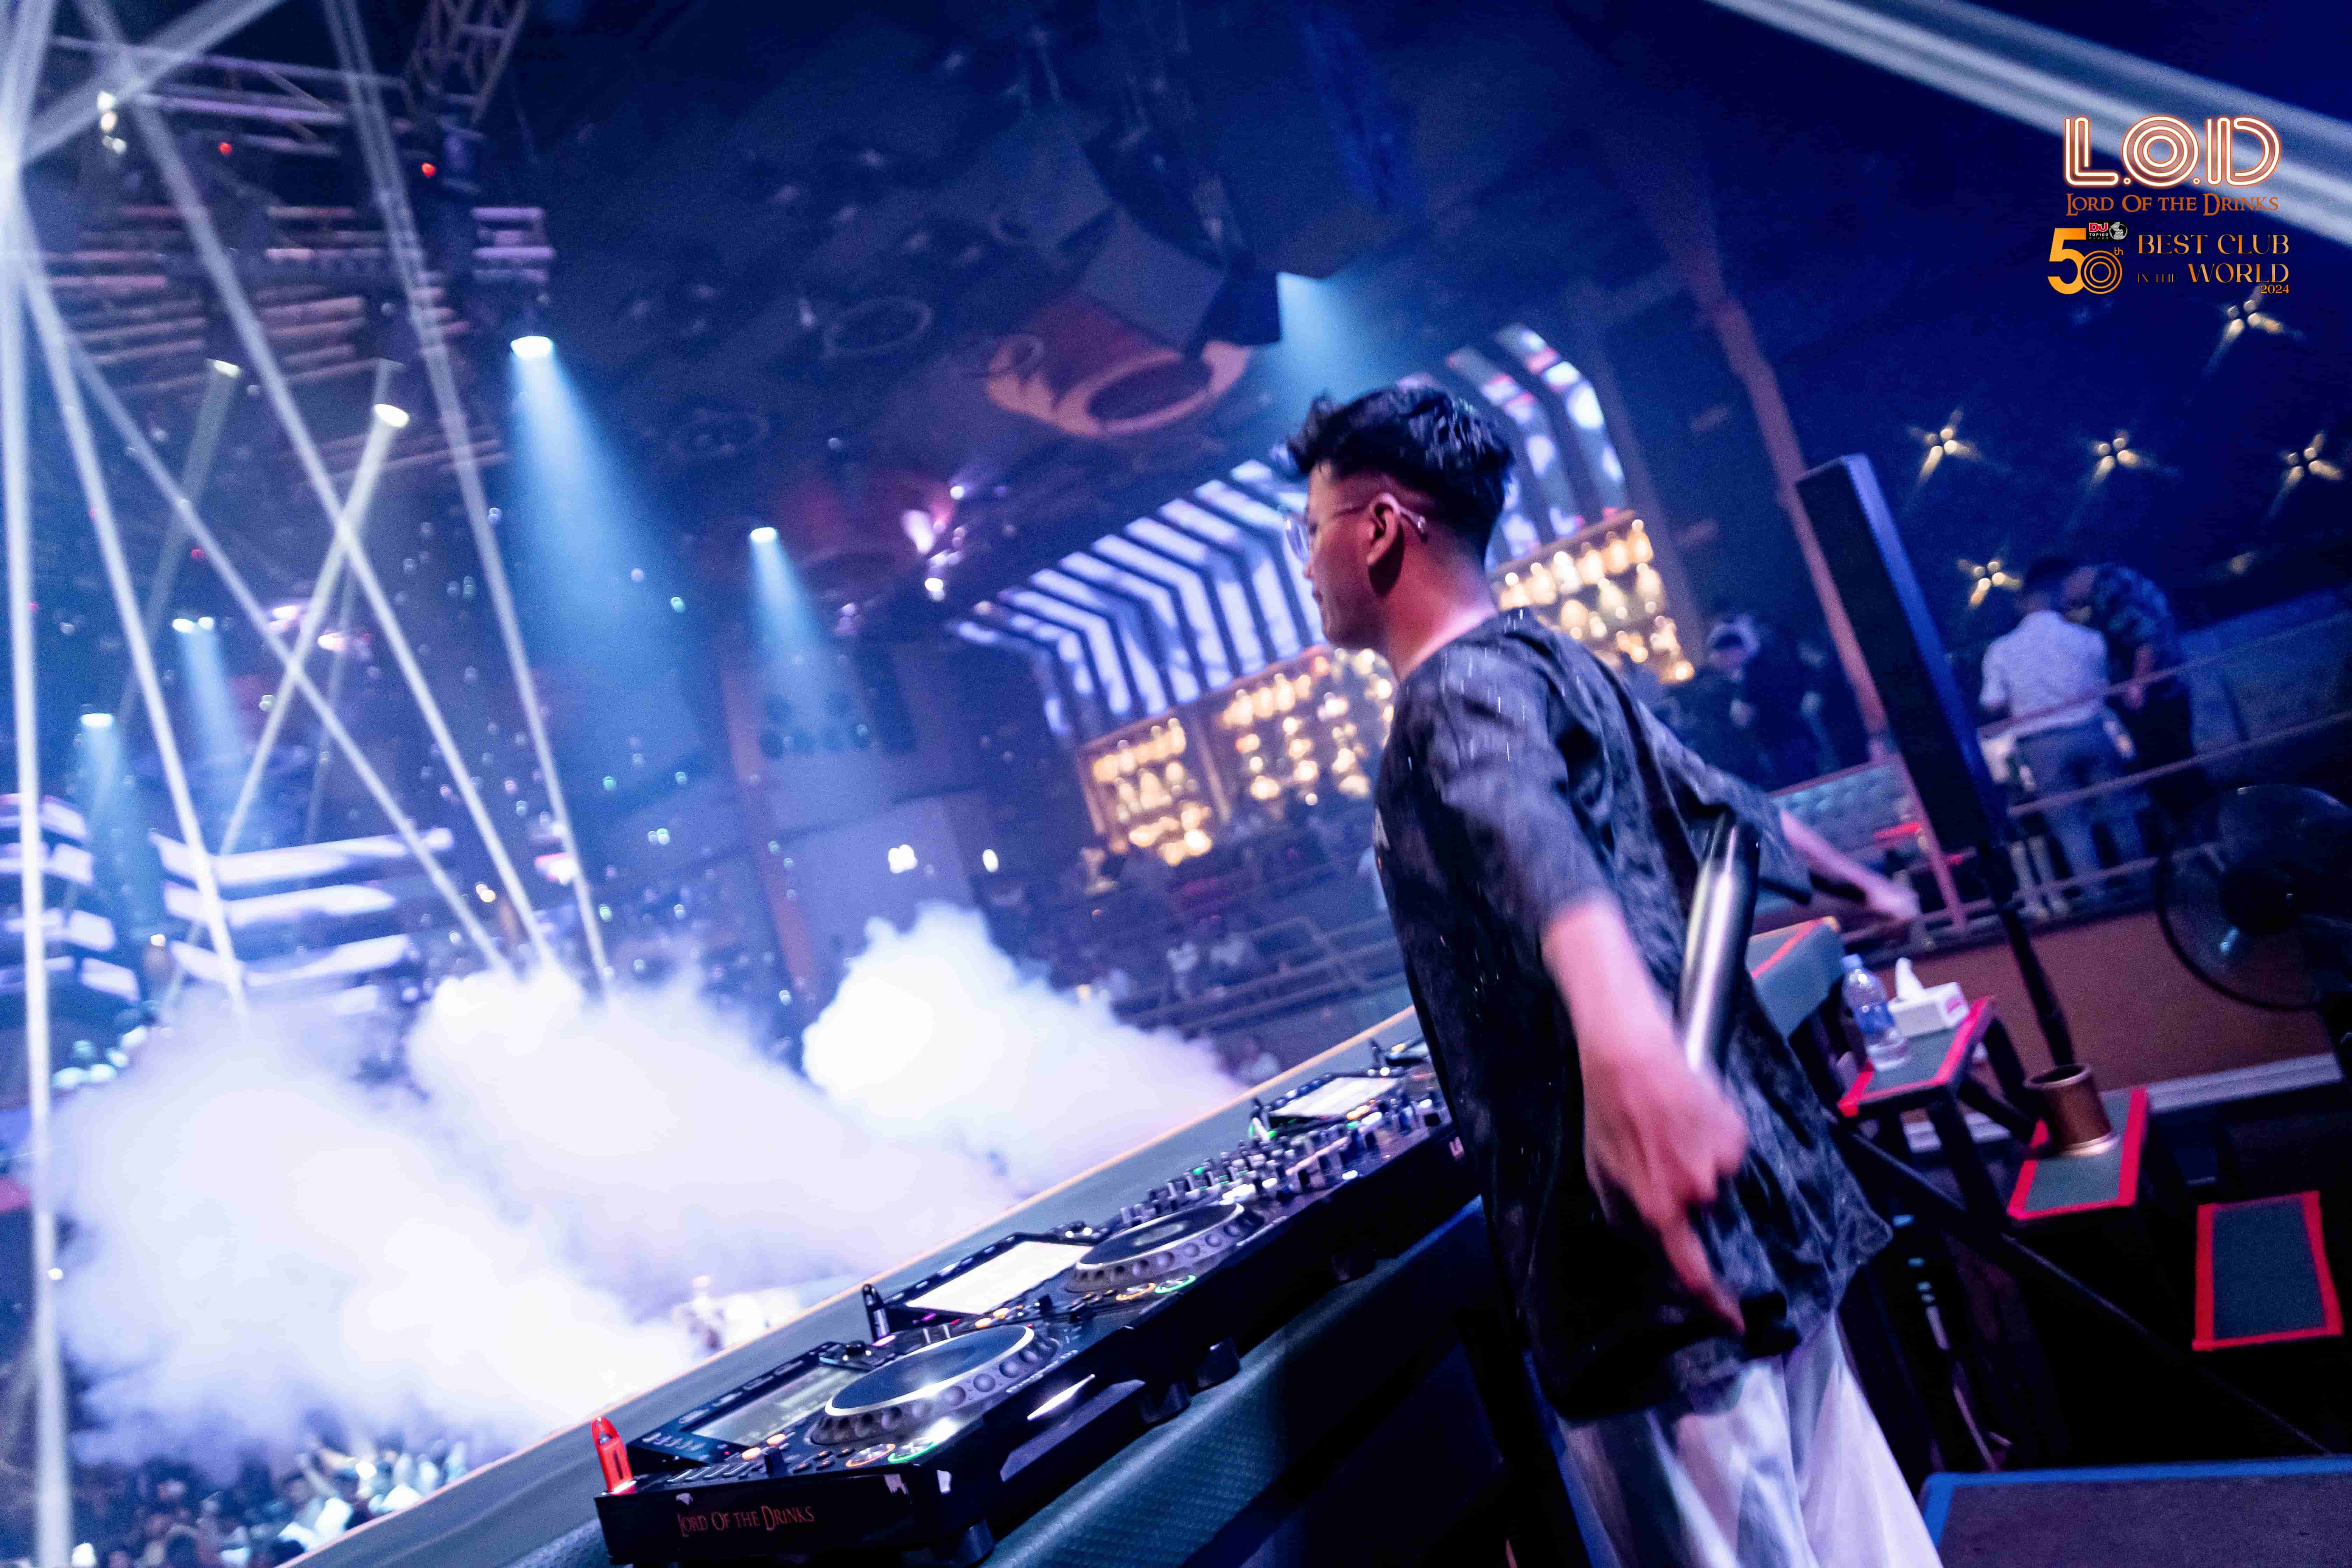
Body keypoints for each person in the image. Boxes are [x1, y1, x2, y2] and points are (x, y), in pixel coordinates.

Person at [1284, 385, 1935, 1568]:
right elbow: (1725, 808)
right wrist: (1870, 888)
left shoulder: (1448, 696)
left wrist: (1627, 1049)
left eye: (1311, 528)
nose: (1307, 563)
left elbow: (1524, 834)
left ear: (1378, 529)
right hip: (1758, 1198)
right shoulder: (1553, 659)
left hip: (1642, 1255)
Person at [1982, 558, 2146, 896]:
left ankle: (2096, 895)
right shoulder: (2088, 638)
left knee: (2070, 824)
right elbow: (2101, 685)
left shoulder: (2000, 650)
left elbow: (1993, 703)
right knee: (2120, 812)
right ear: (2056, 599)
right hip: (2091, 729)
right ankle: (2144, 884)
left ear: (2022, 605)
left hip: (2041, 742)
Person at [2063, 559, 2206, 827]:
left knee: (2168, 771)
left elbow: (2144, 639)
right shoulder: (2121, 580)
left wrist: (2137, 687)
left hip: (2153, 696)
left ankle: (2197, 835)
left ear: (2072, 579)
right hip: (2165, 688)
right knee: (2178, 766)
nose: (2068, 602)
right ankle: (2202, 833)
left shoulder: (2110, 588)